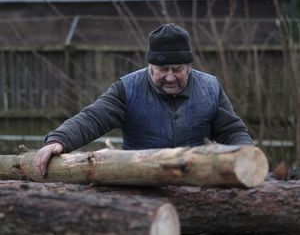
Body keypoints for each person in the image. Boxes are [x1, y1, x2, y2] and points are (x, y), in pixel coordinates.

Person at [33, 23, 253, 178]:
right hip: (141, 186)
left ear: (189, 67)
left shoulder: (210, 88)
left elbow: (232, 131)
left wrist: (248, 154)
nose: (169, 76)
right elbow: (93, 118)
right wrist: (59, 140)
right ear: (150, 66)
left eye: (177, 70)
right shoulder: (127, 89)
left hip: (197, 184)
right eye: (162, 69)